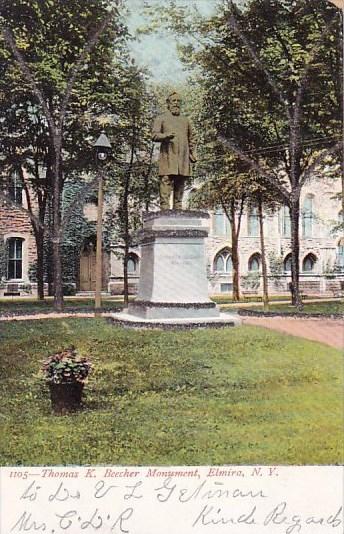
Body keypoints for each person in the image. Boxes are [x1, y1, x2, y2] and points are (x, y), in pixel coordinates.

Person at [152, 92, 197, 210]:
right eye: (174, 101)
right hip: (168, 153)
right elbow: (154, 135)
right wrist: (166, 136)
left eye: (178, 101)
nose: (176, 104)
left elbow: (191, 138)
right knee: (166, 179)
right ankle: (164, 206)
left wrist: (192, 153)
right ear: (168, 103)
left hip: (183, 155)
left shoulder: (185, 120)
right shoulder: (161, 118)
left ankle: (178, 206)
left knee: (180, 179)